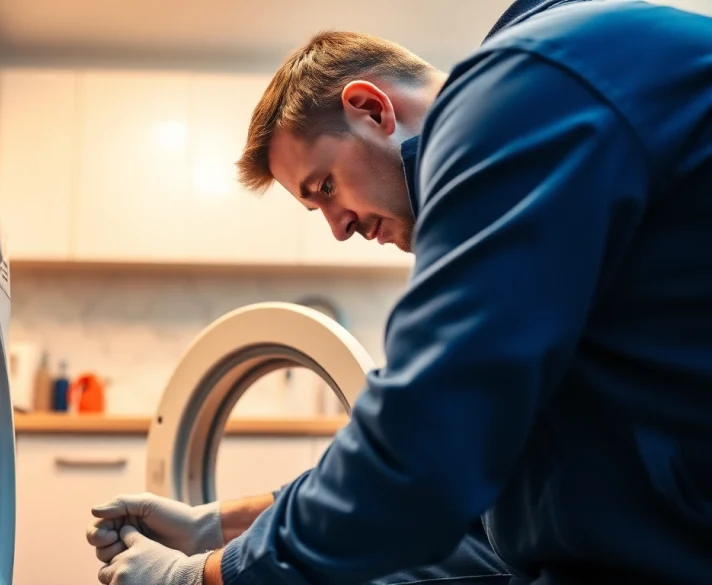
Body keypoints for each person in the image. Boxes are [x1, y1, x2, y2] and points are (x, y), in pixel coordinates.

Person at [87, 1, 712, 583]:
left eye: (324, 187)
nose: (338, 230)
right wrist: (223, 523)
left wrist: (202, 575)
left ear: (371, 108)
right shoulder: (538, 105)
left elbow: (427, 447)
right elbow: (479, 482)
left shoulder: (512, 98)